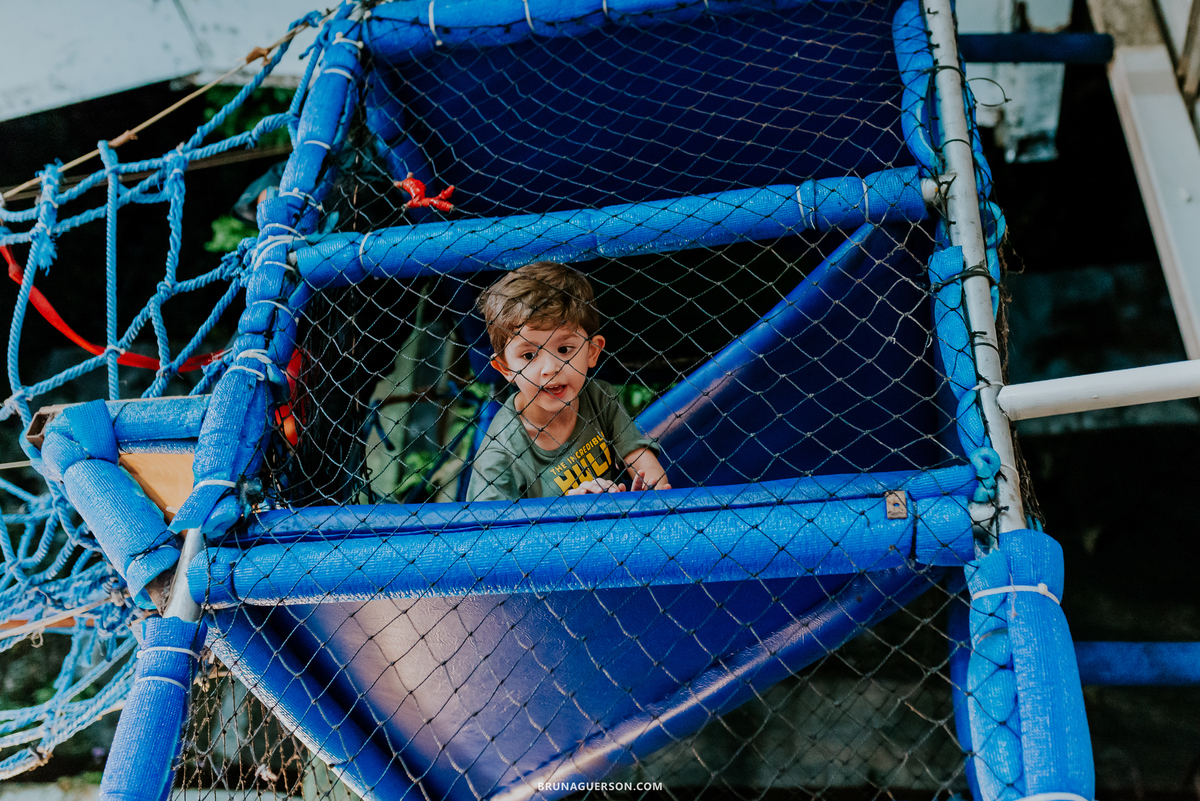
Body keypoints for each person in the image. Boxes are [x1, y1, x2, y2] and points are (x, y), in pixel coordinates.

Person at [467, 261, 671, 502]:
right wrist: (567, 511)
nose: (551, 368)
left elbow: (640, 457)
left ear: (592, 352)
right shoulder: (500, 453)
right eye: (529, 355)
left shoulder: (599, 397)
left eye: (564, 349)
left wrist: (649, 493)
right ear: (505, 368)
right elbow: (491, 535)